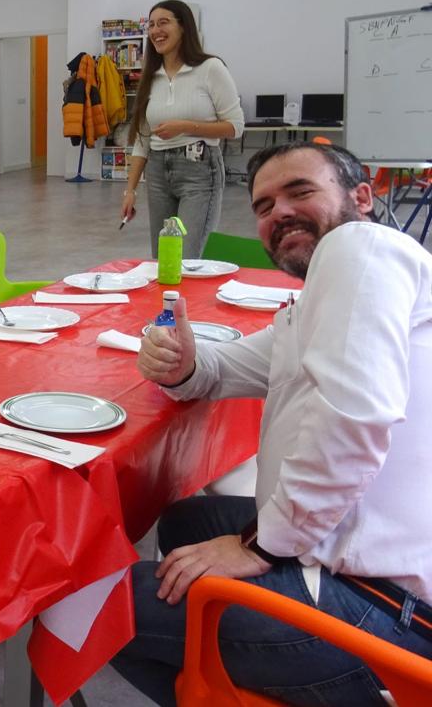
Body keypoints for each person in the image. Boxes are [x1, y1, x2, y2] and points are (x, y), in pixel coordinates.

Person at [112, 141, 432, 705]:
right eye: (263, 206)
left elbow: (356, 416)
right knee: (189, 520)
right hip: (371, 562)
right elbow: (224, 368)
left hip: (386, 612)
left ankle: (220, 686)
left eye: (300, 191)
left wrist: (263, 547)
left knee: (99, 608)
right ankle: (218, 679)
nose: (278, 212)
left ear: (363, 198)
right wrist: (183, 363)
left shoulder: (362, 249)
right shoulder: (330, 299)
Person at [119, 0, 244, 258]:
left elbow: (235, 127)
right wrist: (130, 191)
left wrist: (187, 127)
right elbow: (143, 141)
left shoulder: (210, 68)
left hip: (199, 170)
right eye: (151, 25)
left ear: (184, 27)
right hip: (157, 173)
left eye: (163, 23)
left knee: (188, 259)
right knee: (163, 258)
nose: (155, 31)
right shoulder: (150, 77)